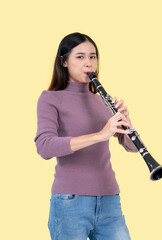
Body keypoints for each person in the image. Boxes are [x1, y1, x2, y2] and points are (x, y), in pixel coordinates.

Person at [34, 32, 137, 240]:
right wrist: (100, 135)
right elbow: (44, 146)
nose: (88, 63)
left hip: (109, 200)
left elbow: (132, 147)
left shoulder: (102, 100)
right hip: (70, 202)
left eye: (92, 56)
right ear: (64, 61)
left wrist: (126, 122)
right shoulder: (50, 99)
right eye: (80, 57)